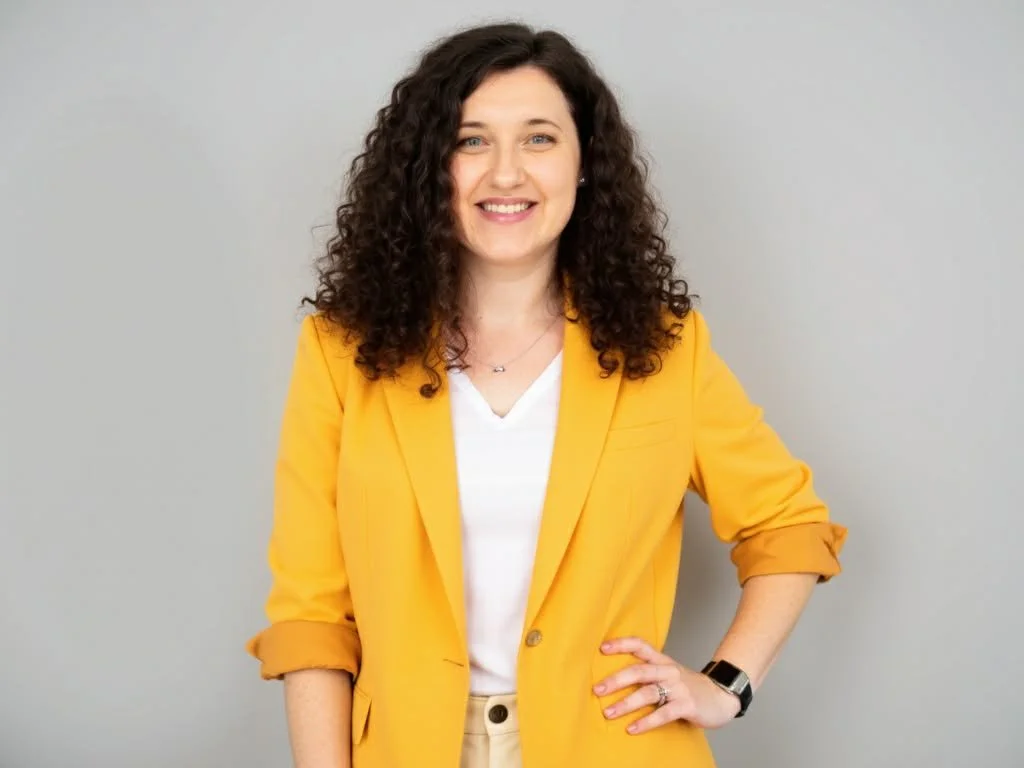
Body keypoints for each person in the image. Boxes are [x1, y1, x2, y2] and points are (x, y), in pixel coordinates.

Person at [245, 21, 847, 768]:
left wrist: (728, 683)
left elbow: (788, 527)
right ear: (431, 168)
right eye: (471, 141)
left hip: (616, 748)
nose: (506, 174)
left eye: (538, 139)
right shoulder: (342, 354)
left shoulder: (663, 350)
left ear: (585, 162)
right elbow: (311, 614)